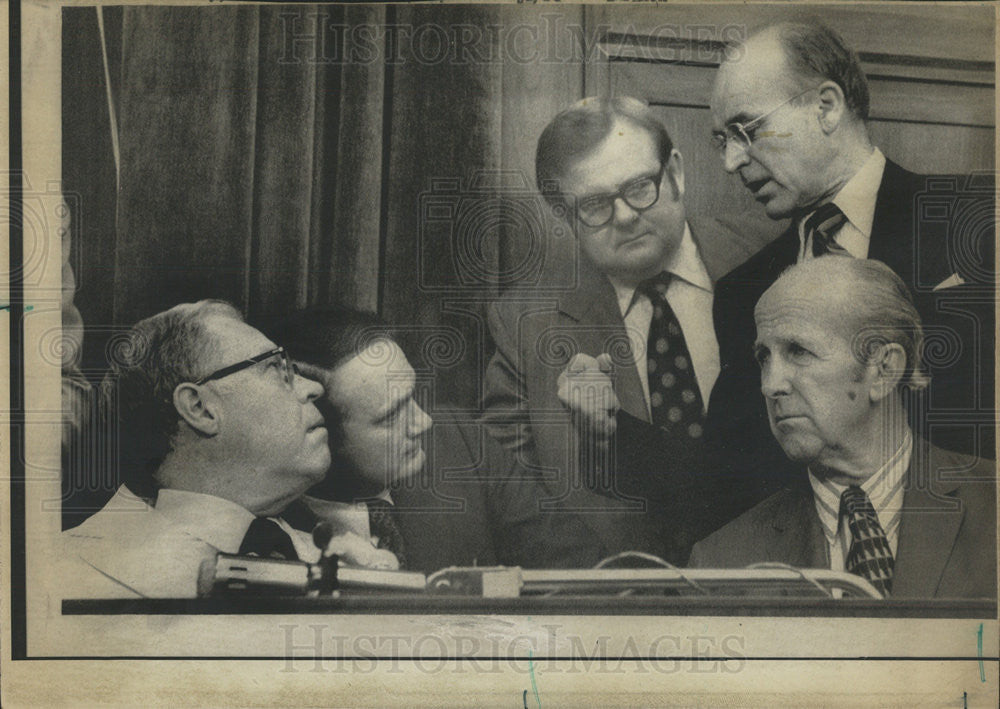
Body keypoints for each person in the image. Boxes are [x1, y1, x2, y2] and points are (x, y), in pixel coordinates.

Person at [707, 21, 995, 513]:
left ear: (826, 106)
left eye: (747, 130)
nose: (733, 161)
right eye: (722, 141)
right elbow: (726, 478)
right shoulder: (743, 293)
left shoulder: (979, 222)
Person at [482, 96, 777, 563]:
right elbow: (507, 507)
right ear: (564, 215)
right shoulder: (525, 326)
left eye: (640, 187)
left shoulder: (771, 254)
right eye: (595, 204)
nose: (623, 217)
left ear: (675, 172)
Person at [690, 259, 996, 600]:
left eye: (798, 351)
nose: (770, 384)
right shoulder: (724, 563)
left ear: (883, 369)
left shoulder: (992, 505)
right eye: (764, 357)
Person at [266, 307, 604, 574]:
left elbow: (587, 568)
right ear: (319, 430)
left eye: (413, 396)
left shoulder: (461, 443)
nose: (423, 421)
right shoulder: (269, 520)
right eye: (390, 416)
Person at [62, 300, 335, 598]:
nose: (314, 388)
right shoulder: (62, 576)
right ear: (199, 408)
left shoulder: (347, 562)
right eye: (274, 367)